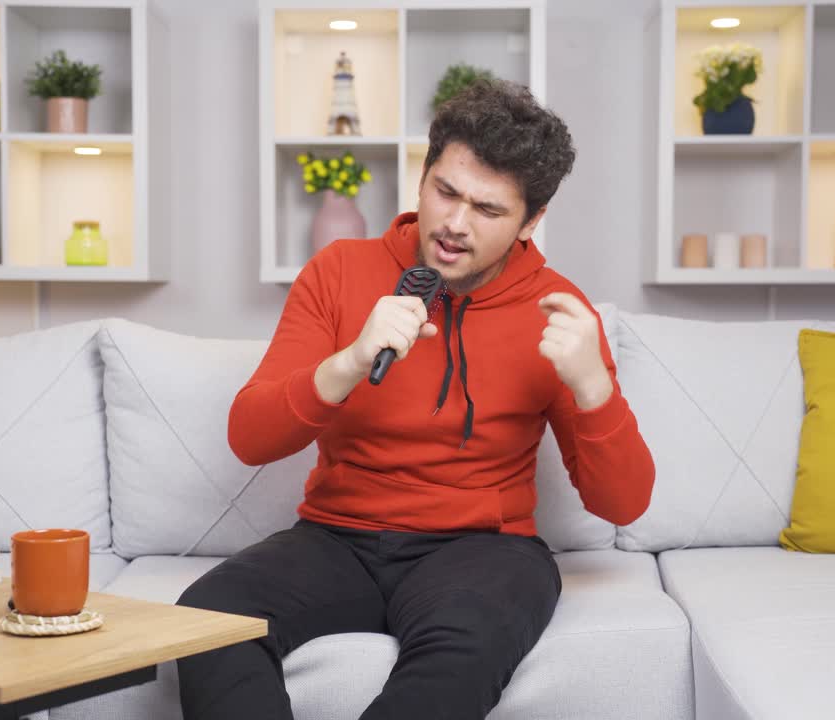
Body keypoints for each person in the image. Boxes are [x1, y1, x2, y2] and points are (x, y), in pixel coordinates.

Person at [176, 79, 656, 720]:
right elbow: (249, 437)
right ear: (423, 176)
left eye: (487, 210)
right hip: (337, 538)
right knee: (207, 623)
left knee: (459, 657)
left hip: (485, 551)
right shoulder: (339, 271)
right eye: (445, 191)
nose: (455, 225)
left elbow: (623, 505)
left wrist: (593, 388)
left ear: (530, 221)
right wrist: (349, 361)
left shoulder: (557, 309)